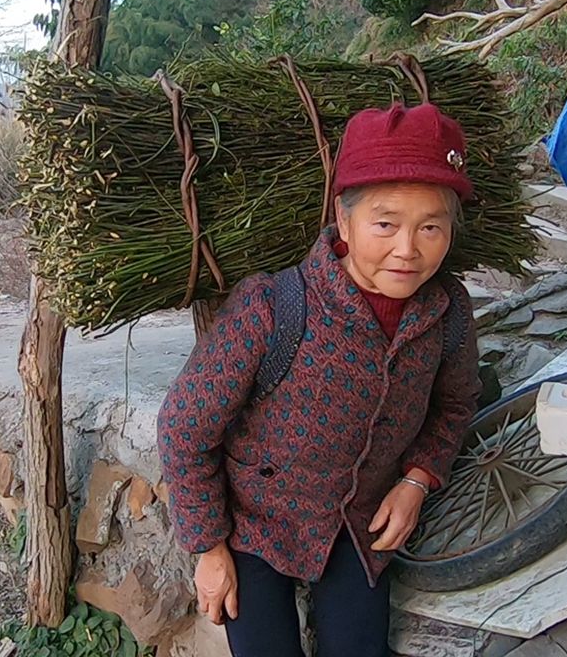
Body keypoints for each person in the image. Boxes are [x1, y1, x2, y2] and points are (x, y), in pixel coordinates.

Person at [157, 103, 480, 657]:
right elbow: (184, 428)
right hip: (256, 524)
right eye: (385, 224)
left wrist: (416, 482)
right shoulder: (274, 307)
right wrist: (209, 548)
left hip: (361, 525)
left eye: (431, 227)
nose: (408, 249)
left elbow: (455, 405)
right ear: (343, 218)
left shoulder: (446, 312)